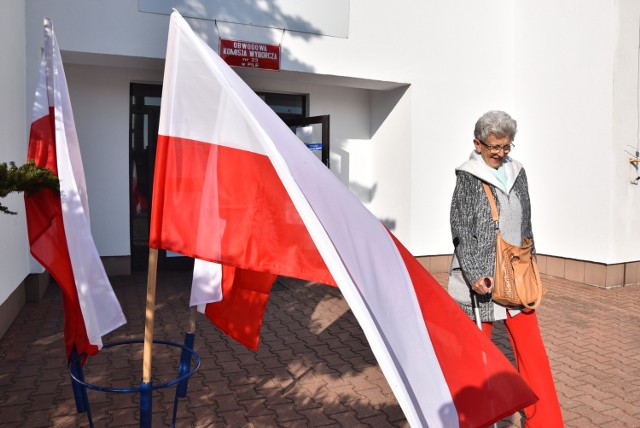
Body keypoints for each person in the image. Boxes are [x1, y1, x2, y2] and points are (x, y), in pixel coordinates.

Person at [448, 110, 563, 427]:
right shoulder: (468, 177)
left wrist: (531, 265)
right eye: (494, 146)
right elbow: (461, 230)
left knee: (533, 355)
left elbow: (526, 223)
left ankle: (546, 422)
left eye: (506, 146)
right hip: (481, 283)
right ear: (478, 143)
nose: (500, 153)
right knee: (475, 358)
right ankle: (475, 420)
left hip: (516, 276)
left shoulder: (518, 171)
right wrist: (474, 274)